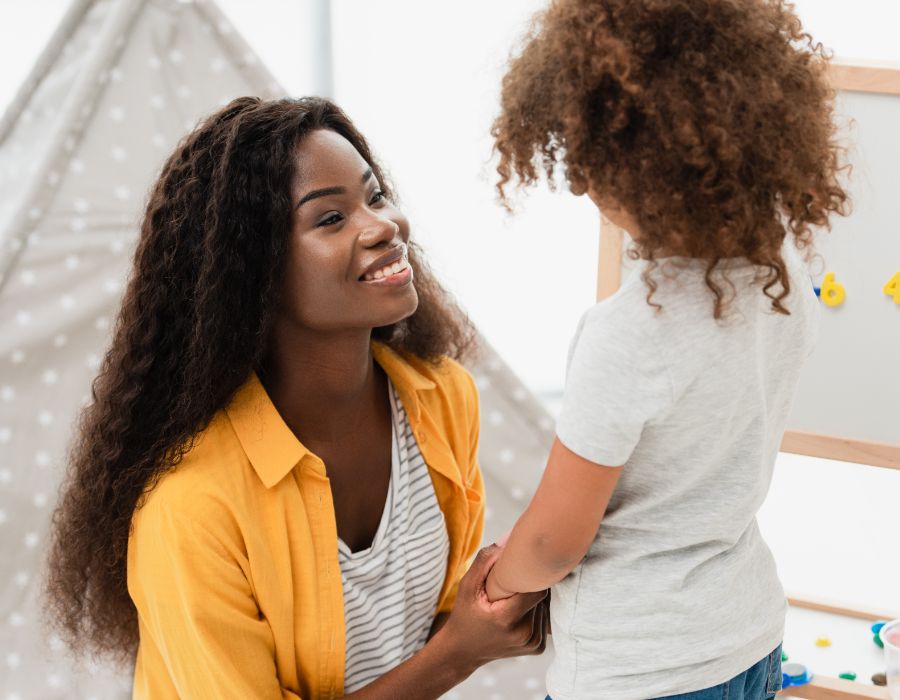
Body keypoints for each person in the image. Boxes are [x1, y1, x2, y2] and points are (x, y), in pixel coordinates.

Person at [45, 96, 549, 699]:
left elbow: (438, 620)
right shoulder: (191, 506)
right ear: (251, 272)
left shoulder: (442, 401)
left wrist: (507, 602)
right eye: (331, 218)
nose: (384, 226)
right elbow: (447, 646)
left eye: (375, 196)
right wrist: (461, 652)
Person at [484, 1, 848, 698]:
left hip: (640, 668)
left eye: (590, 160)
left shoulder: (628, 336)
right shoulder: (785, 277)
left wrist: (496, 580)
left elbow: (555, 542)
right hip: (748, 638)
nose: (582, 184)